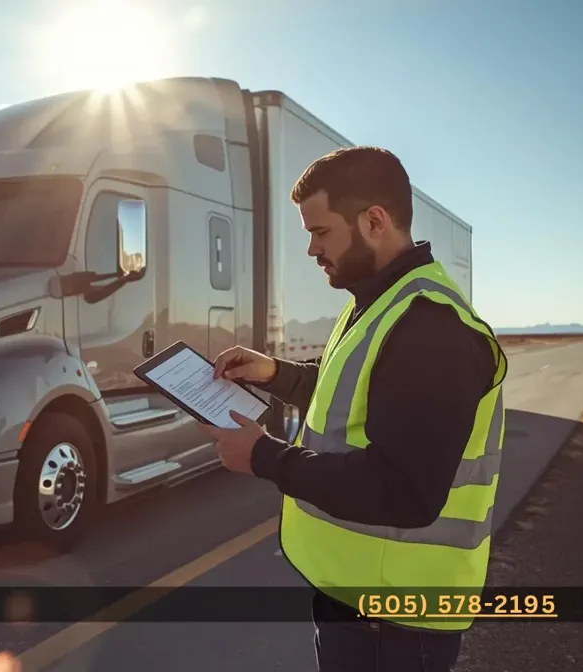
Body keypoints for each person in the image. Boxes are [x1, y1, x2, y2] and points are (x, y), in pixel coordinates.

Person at [197, 146, 507, 672]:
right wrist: (275, 374)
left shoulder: (431, 325)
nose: (313, 250)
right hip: (365, 603)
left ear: (375, 221)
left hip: (398, 620)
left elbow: (405, 489)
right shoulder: (379, 302)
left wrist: (263, 457)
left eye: (321, 232)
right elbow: (353, 390)